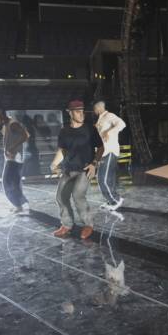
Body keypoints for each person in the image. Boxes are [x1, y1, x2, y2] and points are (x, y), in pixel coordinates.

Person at [50, 100, 104, 240]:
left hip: (85, 168)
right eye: (78, 111)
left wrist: (94, 163)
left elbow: (101, 147)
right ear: (70, 113)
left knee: (78, 195)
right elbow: (62, 151)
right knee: (61, 197)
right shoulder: (64, 131)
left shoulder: (90, 129)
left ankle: (88, 224)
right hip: (68, 169)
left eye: (82, 111)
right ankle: (67, 225)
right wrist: (54, 163)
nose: (82, 114)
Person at [0, 108, 30, 215]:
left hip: (15, 156)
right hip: (11, 157)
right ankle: (20, 205)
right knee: (14, 182)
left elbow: (25, 135)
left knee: (7, 181)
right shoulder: (6, 125)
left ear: (1, 116)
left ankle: (19, 204)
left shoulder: (13, 124)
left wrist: (12, 147)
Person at [93, 101, 126, 211]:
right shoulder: (100, 119)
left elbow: (122, 124)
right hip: (104, 152)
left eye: (94, 108)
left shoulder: (109, 116)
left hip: (110, 151)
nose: (94, 110)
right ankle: (110, 200)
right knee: (104, 178)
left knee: (103, 179)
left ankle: (116, 200)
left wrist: (108, 132)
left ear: (98, 108)